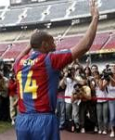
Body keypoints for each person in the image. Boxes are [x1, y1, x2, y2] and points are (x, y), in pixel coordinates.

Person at [14, 0, 99, 139]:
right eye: (52, 41)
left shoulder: (19, 62)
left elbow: (21, 56)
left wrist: (30, 44)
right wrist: (95, 18)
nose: (55, 44)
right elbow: (84, 46)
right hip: (43, 120)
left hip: (22, 120)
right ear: (44, 44)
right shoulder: (49, 59)